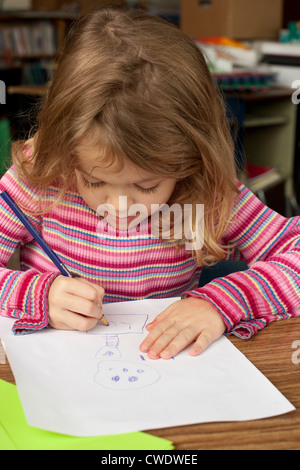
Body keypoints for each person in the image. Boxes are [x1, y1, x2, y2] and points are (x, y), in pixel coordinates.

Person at [0, 8, 299, 361]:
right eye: (94, 180)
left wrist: (225, 302)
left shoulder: (204, 189)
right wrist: (36, 294)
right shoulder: (45, 172)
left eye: (146, 186)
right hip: (56, 370)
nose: (121, 207)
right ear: (67, 148)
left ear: (189, 160)